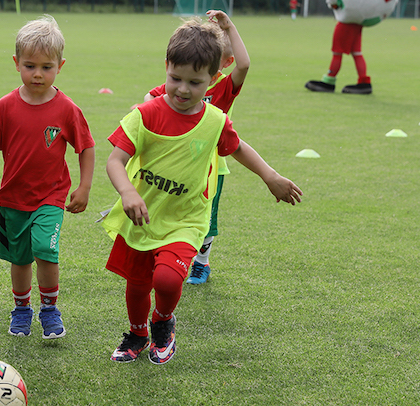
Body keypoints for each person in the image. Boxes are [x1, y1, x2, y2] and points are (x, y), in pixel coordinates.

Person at [103, 19, 302, 364]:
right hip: (144, 215)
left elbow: (238, 148)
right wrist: (128, 193)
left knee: (166, 279)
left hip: (186, 219)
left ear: (212, 79)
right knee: (137, 284)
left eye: (194, 83)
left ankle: (162, 322)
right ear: (166, 67)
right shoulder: (145, 114)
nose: (182, 89)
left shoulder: (215, 120)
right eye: (175, 78)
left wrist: (270, 176)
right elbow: (115, 161)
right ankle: (137, 334)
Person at [0, 15, 95, 340]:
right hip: (13, 199)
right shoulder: (3, 108)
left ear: (60, 66)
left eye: (46, 67)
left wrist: (84, 186)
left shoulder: (67, 109)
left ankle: (49, 309)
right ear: (16, 63)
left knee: (45, 249)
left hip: (50, 197)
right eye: (30, 66)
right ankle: (21, 308)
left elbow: (86, 147)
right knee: (20, 258)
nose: (38, 74)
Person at [143, 10, 249, 285]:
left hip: (212, 166)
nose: (185, 89)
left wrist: (229, 27)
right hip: (176, 164)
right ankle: (165, 255)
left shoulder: (223, 88)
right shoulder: (177, 86)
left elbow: (244, 65)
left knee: (207, 219)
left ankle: (201, 263)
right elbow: (149, 100)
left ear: (221, 66)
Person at [304, 21, 372, 94]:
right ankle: (364, 82)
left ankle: (329, 81)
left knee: (337, 53)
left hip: (345, 23)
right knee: (357, 53)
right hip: (357, 25)